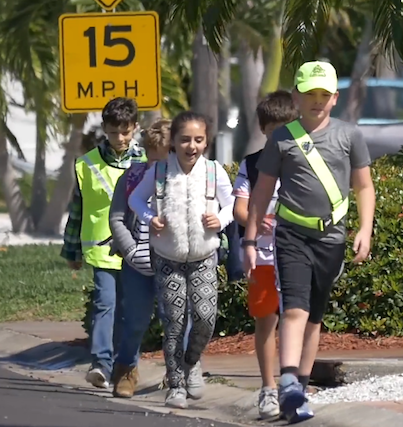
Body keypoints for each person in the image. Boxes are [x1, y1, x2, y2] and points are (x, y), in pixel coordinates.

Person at [241, 61, 376, 423]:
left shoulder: (350, 136)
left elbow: (363, 187)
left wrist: (365, 229)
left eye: (323, 95)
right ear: (297, 97)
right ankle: (287, 383)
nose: (317, 101)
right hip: (291, 235)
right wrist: (250, 240)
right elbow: (261, 192)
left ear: (334, 98)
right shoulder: (282, 138)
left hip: (331, 238)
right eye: (309, 94)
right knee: (295, 308)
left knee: (315, 316)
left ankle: (300, 385)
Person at [128, 111, 235, 409]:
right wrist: (150, 218)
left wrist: (221, 220)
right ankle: (175, 384)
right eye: (185, 139)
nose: (191, 146)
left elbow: (232, 204)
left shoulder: (214, 172)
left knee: (204, 317)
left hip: (203, 258)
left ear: (206, 142)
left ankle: (192, 362)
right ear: (173, 142)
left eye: (198, 140)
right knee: (174, 322)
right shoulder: (160, 172)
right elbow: (135, 199)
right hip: (167, 258)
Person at [61, 97, 146, 389]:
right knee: (104, 303)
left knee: (130, 308)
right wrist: (72, 250)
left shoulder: (147, 163)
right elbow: (77, 210)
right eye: (113, 132)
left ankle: (126, 365)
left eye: (125, 131)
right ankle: (101, 363)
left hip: (136, 249)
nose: (119, 138)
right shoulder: (86, 165)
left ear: (135, 127)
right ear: (104, 130)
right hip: (99, 249)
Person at [232, 90, 299, 419]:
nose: (280, 135)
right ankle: (268, 388)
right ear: (263, 129)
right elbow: (240, 211)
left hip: (297, 255)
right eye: (274, 128)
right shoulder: (252, 164)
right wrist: (260, 222)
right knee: (265, 323)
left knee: (296, 321)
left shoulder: (303, 162)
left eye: (286, 127)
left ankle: (294, 385)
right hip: (262, 258)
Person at [108, 119, 172, 398]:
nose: (158, 167)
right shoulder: (132, 178)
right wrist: (130, 250)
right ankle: (126, 369)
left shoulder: (187, 182)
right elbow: (117, 218)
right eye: (153, 159)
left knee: (176, 318)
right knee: (135, 320)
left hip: (174, 261)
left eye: (165, 159)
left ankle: (177, 372)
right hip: (137, 262)